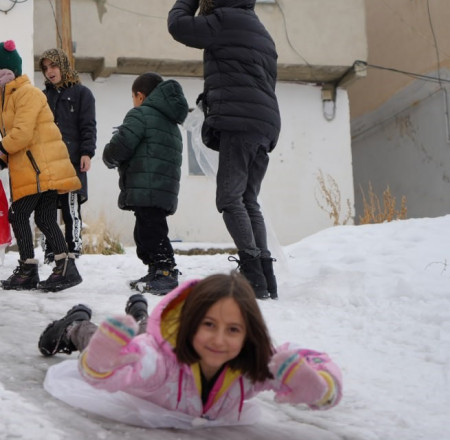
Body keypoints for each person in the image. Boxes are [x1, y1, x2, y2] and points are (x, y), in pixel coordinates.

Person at [38, 272, 342, 427]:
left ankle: (141, 314)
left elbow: (307, 361)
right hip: (151, 351)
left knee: (140, 329)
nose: (220, 340)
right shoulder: (156, 364)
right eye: (208, 325)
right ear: (190, 321)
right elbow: (108, 373)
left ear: (248, 333)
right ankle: (75, 325)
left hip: (165, 340)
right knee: (109, 342)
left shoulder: (251, 368)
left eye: (233, 330)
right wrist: (103, 359)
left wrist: (320, 386)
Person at [168, 0, 281, 300]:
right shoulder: (261, 30)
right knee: (248, 199)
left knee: (230, 198)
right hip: (265, 125)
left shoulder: (223, 20)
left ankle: (253, 273)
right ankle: (266, 276)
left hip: (240, 123)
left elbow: (177, 25)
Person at [0, 40, 83, 292]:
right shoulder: (9, 97)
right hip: (35, 168)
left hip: (41, 169)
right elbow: (18, 142)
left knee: (18, 214)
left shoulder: (28, 94)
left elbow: (21, 136)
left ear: (4, 73)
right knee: (45, 218)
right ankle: (65, 267)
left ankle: (28, 269)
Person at [102, 72, 188, 295]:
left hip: (147, 184)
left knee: (151, 230)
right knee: (147, 229)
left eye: (133, 97)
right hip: (162, 186)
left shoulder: (140, 115)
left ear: (139, 96)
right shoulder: (171, 123)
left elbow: (122, 145)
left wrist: (109, 156)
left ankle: (165, 271)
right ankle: (155, 270)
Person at [37, 48, 97, 264]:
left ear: (63, 66)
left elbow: (88, 126)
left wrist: (87, 153)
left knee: (71, 207)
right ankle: (51, 250)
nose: (49, 72)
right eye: (45, 68)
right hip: (47, 162)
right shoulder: (42, 97)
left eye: (53, 66)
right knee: (47, 208)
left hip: (71, 159)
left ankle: (73, 249)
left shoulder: (82, 94)